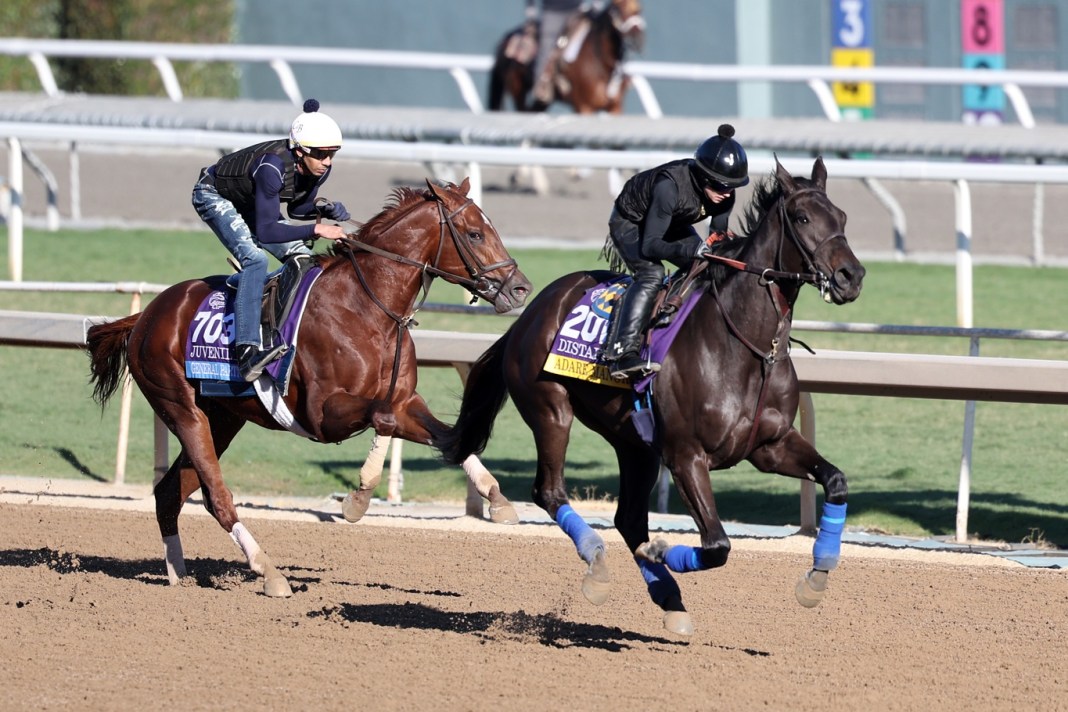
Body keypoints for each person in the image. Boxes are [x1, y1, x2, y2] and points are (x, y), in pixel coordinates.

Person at [192, 99, 350, 382]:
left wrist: (323, 209)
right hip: (214, 194)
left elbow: (296, 209)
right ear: (299, 151)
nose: (327, 161)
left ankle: (287, 324)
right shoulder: (271, 168)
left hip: (252, 200)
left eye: (332, 154)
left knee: (305, 259)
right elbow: (267, 233)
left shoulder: (318, 168)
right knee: (255, 260)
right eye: (321, 154)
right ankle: (247, 351)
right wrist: (316, 230)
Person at [603, 123, 750, 380]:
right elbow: (650, 245)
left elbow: (717, 237)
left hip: (672, 220)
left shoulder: (725, 194)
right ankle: (622, 353)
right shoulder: (668, 187)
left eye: (731, 187)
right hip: (632, 222)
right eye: (720, 186)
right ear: (704, 177)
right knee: (652, 273)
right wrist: (691, 248)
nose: (726, 193)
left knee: (704, 267)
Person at [526, 0, 585, 107]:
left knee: (586, 45)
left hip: (577, 10)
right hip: (552, 10)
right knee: (546, 48)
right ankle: (541, 89)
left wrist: (596, 5)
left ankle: (581, 88)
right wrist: (531, 12)